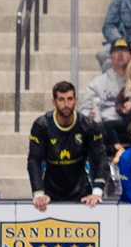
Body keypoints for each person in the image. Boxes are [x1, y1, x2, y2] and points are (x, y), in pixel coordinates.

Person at [28, 82, 109, 212]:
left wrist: (97, 192)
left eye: (70, 99)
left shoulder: (89, 126)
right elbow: (34, 160)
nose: (66, 104)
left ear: (75, 101)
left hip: (82, 194)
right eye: (61, 99)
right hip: (50, 195)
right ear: (54, 102)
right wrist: (38, 194)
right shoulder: (42, 125)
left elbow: (101, 159)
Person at [82, 40, 131, 153]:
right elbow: (84, 110)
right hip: (105, 128)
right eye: (116, 51)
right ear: (110, 56)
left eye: (124, 51)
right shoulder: (97, 83)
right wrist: (89, 114)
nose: (120, 54)